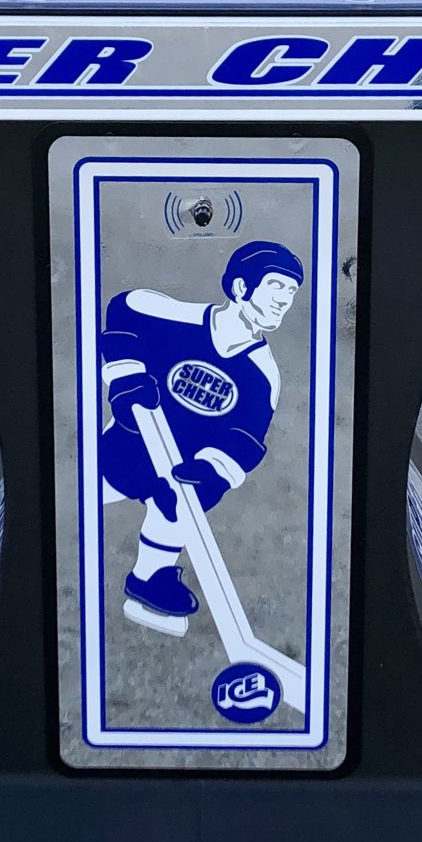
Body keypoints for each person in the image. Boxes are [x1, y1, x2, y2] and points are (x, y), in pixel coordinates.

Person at [98, 240, 303, 632]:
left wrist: (211, 473)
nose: (284, 300)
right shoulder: (181, 318)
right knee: (78, 495)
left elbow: (243, 441)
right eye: (276, 286)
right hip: (127, 446)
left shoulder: (264, 375)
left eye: (291, 292)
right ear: (241, 287)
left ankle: (149, 579)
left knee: (178, 509)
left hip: (179, 471)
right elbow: (125, 307)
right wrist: (126, 372)